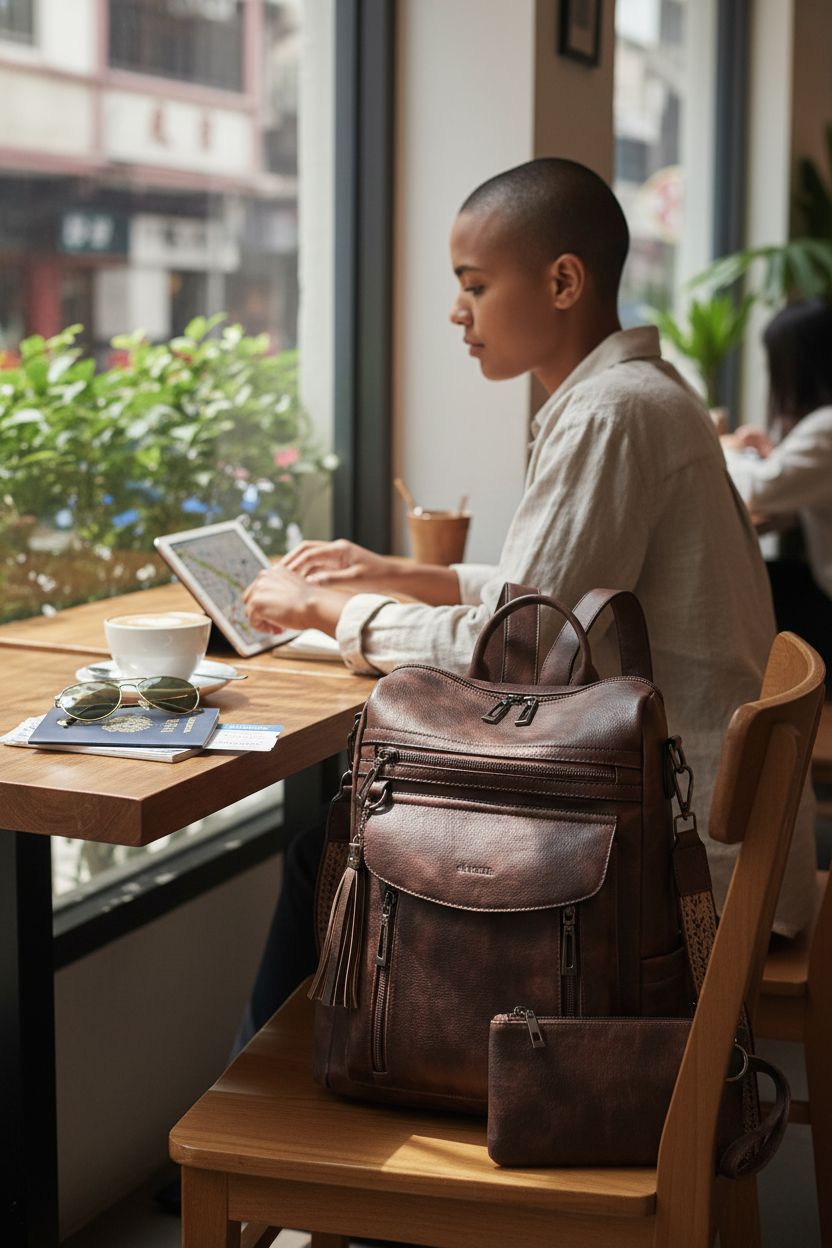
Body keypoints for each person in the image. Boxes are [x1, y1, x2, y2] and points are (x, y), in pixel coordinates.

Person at [237, 157, 816, 1047]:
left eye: (474, 284)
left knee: (339, 843)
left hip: (682, 872)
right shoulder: (640, 396)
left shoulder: (609, 415)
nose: (456, 312)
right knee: (343, 836)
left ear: (562, 281)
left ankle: (296, 1114)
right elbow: (544, 593)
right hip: (708, 836)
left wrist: (322, 613)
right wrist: (388, 571)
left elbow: (519, 647)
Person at [721, 298, 832, 685]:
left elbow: (756, 492)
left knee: (738, 596)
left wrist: (723, 447)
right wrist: (772, 455)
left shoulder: (826, 427)